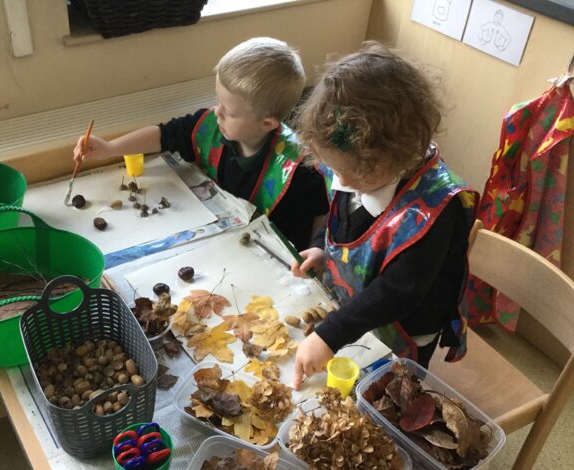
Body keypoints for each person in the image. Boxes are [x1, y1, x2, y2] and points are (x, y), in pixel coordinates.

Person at [290, 42, 479, 390]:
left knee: (390, 395)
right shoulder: (356, 165)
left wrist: (332, 333)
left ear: (402, 156)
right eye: (336, 170)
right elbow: (339, 215)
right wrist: (321, 247)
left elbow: (399, 290)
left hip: (404, 328)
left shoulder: (438, 208)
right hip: (356, 312)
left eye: (354, 175)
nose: (342, 182)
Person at [73, 37, 329, 250]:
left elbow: (316, 224)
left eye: (229, 112)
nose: (217, 112)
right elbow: (164, 134)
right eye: (218, 101)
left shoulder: (299, 173)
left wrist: (316, 252)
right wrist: (110, 148)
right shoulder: (211, 125)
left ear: (267, 123)